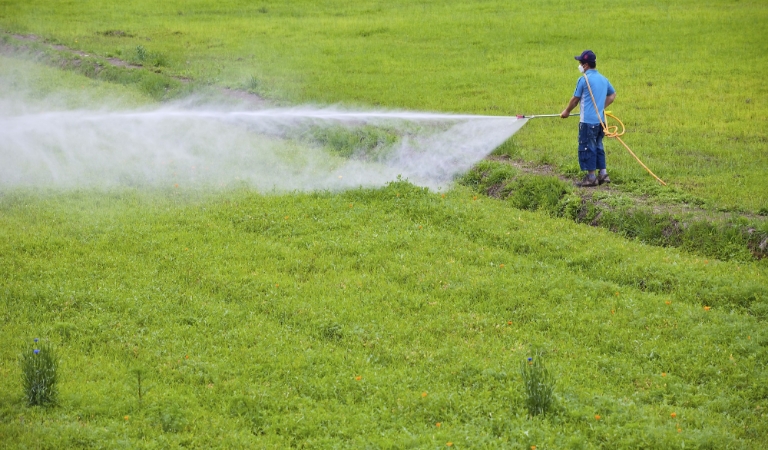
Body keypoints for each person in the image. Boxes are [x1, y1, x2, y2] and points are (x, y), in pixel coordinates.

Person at [561, 50, 616, 187]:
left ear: (585, 65)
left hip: (588, 122)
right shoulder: (604, 79)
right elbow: (612, 95)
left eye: (580, 63)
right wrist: (599, 108)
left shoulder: (583, 79)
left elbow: (575, 100)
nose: (579, 66)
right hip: (601, 121)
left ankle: (591, 177)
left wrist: (566, 111)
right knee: (598, 145)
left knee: (587, 147)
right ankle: (603, 174)